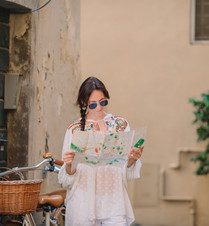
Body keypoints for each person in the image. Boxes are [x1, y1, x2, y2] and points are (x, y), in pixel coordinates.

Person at [58, 76, 144, 226]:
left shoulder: (120, 125)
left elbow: (125, 167)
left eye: (103, 102)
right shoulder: (75, 129)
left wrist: (133, 159)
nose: (99, 107)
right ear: (84, 103)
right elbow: (67, 176)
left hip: (114, 201)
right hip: (83, 202)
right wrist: (68, 164)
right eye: (93, 104)